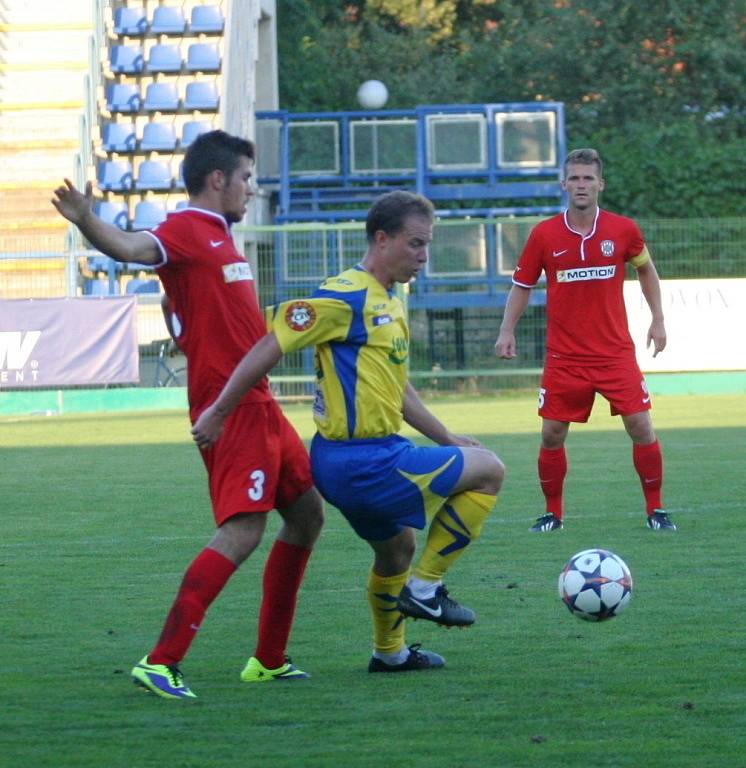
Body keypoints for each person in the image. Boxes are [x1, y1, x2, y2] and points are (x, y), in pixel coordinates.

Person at [51, 130, 324, 699]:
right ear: (217, 179)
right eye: (246, 177)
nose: (253, 188)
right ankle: (161, 660)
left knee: (306, 515)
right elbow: (130, 249)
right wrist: (86, 219)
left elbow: (186, 312)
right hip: (231, 408)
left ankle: (268, 659)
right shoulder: (185, 231)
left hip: (261, 402)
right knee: (243, 529)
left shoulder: (220, 240)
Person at [192, 191, 505, 673]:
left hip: (373, 454)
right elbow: (270, 345)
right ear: (382, 239)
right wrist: (218, 410)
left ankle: (390, 652)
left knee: (396, 547)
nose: (423, 255)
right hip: (358, 461)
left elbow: (400, 391)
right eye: (415, 243)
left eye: (428, 245)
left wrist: (448, 438)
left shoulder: (391, 300)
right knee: (490, 471)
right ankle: (425, 590)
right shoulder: (344, 295)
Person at [495, 147, 674, 532]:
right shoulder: (544, 234)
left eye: (588, 178)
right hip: (565, 357)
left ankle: (656, 510)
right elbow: (522, 285)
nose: (581, 184)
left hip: (614, 354)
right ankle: (553, 514)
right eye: (574, 178)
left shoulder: (623, 230)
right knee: (551, 433)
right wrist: (506, 330)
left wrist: (658, 319)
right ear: (564, 184)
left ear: (600, 185)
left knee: (641, 426)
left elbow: (647, 272)